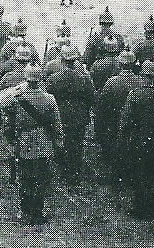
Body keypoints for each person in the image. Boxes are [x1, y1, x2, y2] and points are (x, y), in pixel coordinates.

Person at [118, 60, 154, 219]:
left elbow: (125, 122)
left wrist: (123, 140)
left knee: (139, 173)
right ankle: (151, 207)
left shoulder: (135, 95)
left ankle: (140, 207)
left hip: (138, 141)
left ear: (144, 77)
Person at [12, 66, 64, 225]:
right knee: (42, 178)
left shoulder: (16, 96)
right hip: (43, 141)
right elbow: (56, 123)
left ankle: (25, 211)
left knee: (25, 177)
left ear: (25, 78)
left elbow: (1, 104)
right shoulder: (49, 98)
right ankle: (37, 211)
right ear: (40, 79)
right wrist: (59, 141)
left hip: (24, 140)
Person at [45, 44, 95, 185]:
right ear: (75, 60)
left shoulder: (54, 79)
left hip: (60, 115)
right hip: (79, 117)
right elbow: (92, 97)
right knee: (77, 145)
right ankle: (74, 174)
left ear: (62, 58)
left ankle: (63, 169)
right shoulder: (84, 78)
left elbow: (47, 97)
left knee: (61, 142)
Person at [96, 47, 143, 184]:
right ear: (133, 64)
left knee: (117, 146)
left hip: (114, 119)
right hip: (134, 122)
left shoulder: (112, 82)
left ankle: (117, 176)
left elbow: (102, 106)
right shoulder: (140, 81)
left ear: (120, 64)